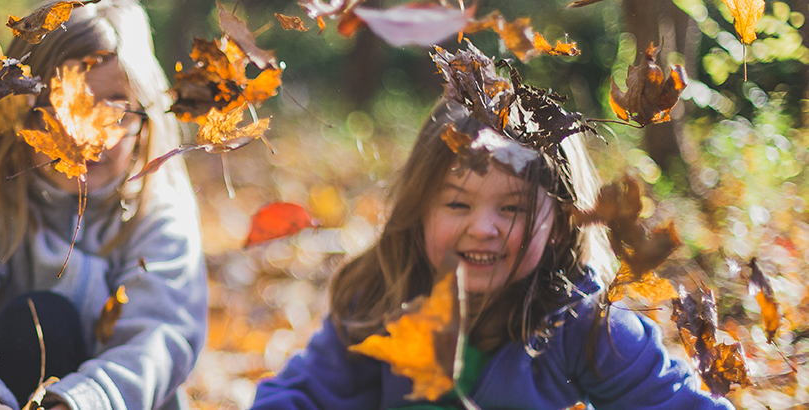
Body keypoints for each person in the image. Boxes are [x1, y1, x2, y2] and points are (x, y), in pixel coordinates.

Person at [250, 47, 735, 409]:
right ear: (418, 210)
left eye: (514, 209)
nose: (483, 227)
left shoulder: (587, 328)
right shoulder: (380, 298)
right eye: (457, 203)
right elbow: (298, 395)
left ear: (564, 225)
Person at [0, 2, 206, 410]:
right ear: (22, 112)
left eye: (114, 107)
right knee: (41, 317)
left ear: (144, 116)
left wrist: (77, 403)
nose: (91, 133)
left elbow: (160, 339)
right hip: (11, 395)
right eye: (67, 105)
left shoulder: (157, 218)